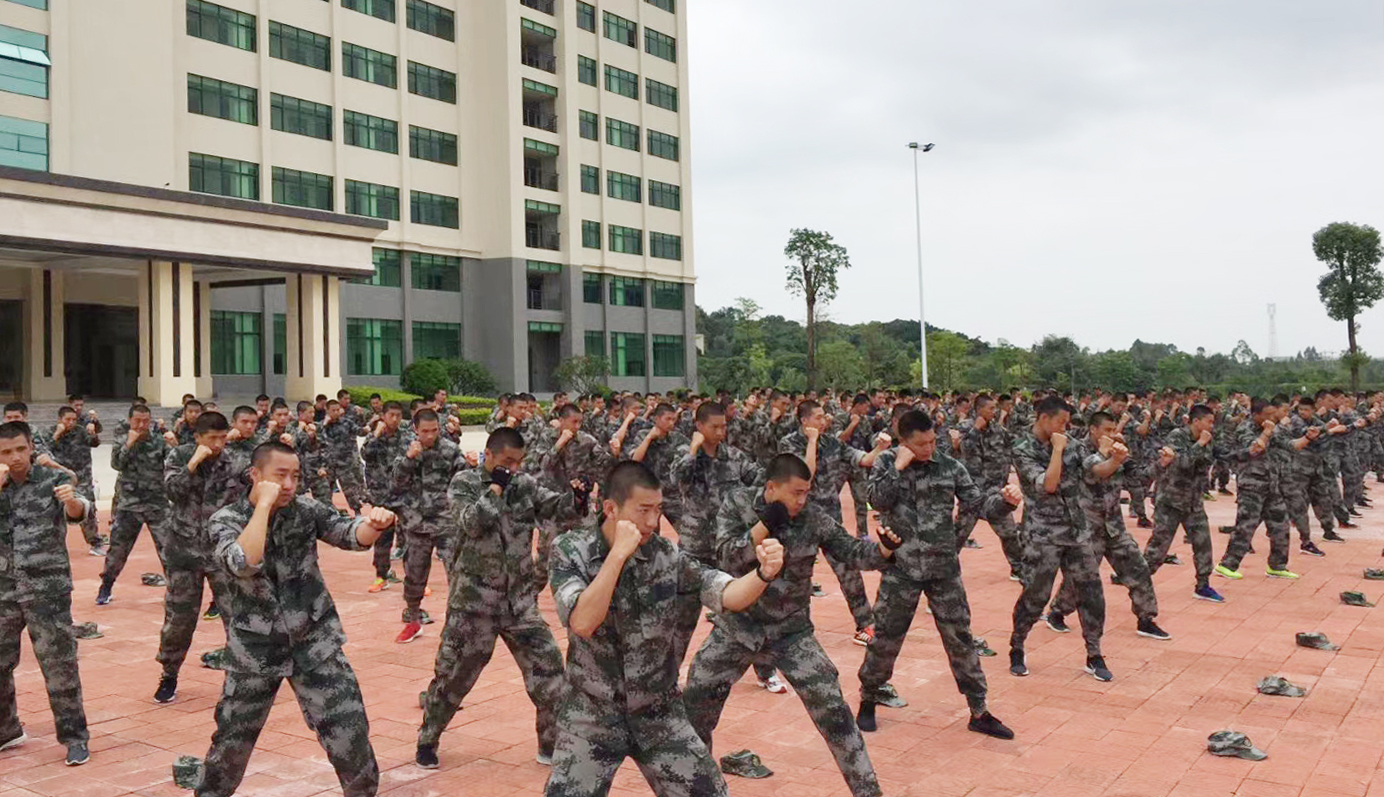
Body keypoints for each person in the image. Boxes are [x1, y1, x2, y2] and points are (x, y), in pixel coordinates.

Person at [544, 461, 784, 797]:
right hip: (591, 717)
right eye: (643, 510)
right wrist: (617, 556)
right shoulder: (571, 550)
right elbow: (583, 623)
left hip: (658, 712)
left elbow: (725, 592)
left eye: (658, 510)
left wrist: (763, 574)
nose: (653, 522)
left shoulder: (665, 554)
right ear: (611, 509)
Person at [681, 454, 893, 797]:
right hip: (737, 628)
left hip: (791, 632)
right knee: (694, 710)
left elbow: (851, 551)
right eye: (795, 493)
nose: (801, 500)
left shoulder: (812, 516)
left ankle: (869, 792)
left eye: (806, 493)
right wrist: (765, 524)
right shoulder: (737, 503)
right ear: (770, 487)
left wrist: (883, 549)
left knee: (835, 715)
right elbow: (726, 557)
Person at [196, 442, 396, 797]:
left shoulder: (306, 510)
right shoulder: (224, 520)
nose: (289, 484)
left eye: (296, 476)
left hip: (315, 643)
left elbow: (348, 535)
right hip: (255, 653)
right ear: (255, 476)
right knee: (230, 749)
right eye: (280, 476)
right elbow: (244, 562)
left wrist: (374, 525)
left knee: (351, 736)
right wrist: (264, 506)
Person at [416, 427, 588, 769]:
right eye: (507, 462)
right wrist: (495, 488)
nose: (513, 469)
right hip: (473, 605)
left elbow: (556, 510)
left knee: (552, 676)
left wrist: (577, 497)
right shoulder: (464, 483)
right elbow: (472, 523)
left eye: (518, 462)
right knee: (452, 679)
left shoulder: (524, 486)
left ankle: (550, 746)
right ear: (490, 455)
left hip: (520, 605)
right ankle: (428, 739)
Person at [857, 410, 1022, 738]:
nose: (929, 448)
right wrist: (899, 466)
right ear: (903, 441)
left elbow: (978, 505)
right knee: (887, 636)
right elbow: (876, 499)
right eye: (921, 444)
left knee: (960, 637)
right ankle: (868, 696)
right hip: (900, 567)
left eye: (932, 441)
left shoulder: (950, 467)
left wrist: (1005, 503)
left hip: (942, 567)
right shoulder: (886, 463)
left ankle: (979, 710)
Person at [0, 421, 92, 766]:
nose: (15, 457)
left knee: (59, 666)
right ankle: (7, 730)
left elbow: (82, 509)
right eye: (6, 452)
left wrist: (73, 505)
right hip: (4, 590)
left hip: (47, 590)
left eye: (21, 449)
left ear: (31, 448)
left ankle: (75, 738)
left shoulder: (52, 480)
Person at [1009, 396, 1111, 681]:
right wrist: (1057, 450)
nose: (1066, 428)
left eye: (1067, 423)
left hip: (1076, 532)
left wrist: (1112, 458)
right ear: (1043, 418)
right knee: (1036, 594)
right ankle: (1017, 646)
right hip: (1042, 534)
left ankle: (1094, 653)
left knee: (1091, 592)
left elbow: (1095, 470)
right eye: (1061, 422)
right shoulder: (1022, 449)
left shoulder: (1071, 444)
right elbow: (1048, 485)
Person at [1047, 412, 1171, 640]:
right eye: (1107, 430)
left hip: (1114, 527)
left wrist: (1161, 465)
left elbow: (1139, 478)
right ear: (1093, 429)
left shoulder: (1118, 449)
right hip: (1087, 528)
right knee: (1081, 578)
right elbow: (1094, 472)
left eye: (1114, 430)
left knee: (1138, 569)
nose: (1112, 435)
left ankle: (1146, 619)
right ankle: (1057, 612)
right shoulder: (1076, 449)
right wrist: (1109, 455)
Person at [779, 400, 888, 646]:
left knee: (848, 570)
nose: (824, 420)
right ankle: (784, 633)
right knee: (790, 578)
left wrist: (880, 448)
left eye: (824, 416)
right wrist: (811, 442)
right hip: (798, 522)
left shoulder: (833, 443)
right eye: (818, 417)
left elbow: (864, 459)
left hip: (829, 519)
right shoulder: (789, 444)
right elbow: (805, 475)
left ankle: (865, 625)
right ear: (804, 421)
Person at [156, 411, 245, 702]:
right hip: (184, 552)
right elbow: (172, 491)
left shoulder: (234, 461)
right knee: (179, 620)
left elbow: (252, 491)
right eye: (212, 438)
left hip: (221, 552)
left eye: (222, 437)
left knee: (236, 616)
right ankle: (169, 674)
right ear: (197, 437)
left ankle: (240, 675)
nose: (218, 444)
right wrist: (193, 463)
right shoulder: (179, 456)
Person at [392, 409, 469, 644]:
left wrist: (473, 465)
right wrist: (408, 459)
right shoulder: (406, 448)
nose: (430, 435)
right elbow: (395, 482)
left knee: (456, 573)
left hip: (446, 521)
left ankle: (457, 625)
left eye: (434, 430)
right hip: (416, 522)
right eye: (425, 431)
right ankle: (413, 619)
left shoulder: (449, 449)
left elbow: (464, 478)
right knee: (414, 574)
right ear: (416, 429)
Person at [1143, 404, 1224, 602]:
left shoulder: (1207, 440)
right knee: (1158, 547)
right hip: (1170, 500)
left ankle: (1203, 585)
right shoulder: (1176, 436)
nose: (1211, 426)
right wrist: (1200, 444)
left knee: (1203, 544)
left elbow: (1204, 464)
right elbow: (1180, 463)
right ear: (1196, 421)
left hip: (1193, 501)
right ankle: (1138, 578)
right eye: (1209, 421)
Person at [1215, 398, 1299, 581]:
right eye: (1267, 415)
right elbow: (1254, 449)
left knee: (1281, 525)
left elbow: (1289, 445)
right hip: (1251, 485)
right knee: (1245, 527)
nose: (1271, 418)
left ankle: (1277, 565)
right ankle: (1226, 565)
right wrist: (1268, 432)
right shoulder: (1245, 429)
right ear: (1255, 415)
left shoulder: (1272, 430)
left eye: (1272, 415)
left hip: (1271, 484)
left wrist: (1309, 437)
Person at [101, 404, 177, 604]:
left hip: (157, 503)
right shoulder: (123, 439)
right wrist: (129, 444)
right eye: (137, 421)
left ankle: (176, 590)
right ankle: (106, 585)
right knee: (118, 550)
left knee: (168, 549)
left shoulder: (159, 441)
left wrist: (175, 445)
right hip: (129, 504)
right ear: (130, 421)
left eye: (146, 421)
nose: (142, 425)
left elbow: (175, 463)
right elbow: (116, 464)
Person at [956, 393, 1025, 576]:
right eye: (991, 408)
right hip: (972, 493)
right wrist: (975, 431)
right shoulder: (965, 427)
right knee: (958, 536)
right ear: (979, 410)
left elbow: (1015, 446)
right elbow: (961, 449)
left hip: (995, 492)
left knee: (1009, 532)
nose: (995, 412)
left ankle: (1018, 568)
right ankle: (943, 571)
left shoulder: (998, 430)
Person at [37, 406, 105, 557]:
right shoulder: (49, 432)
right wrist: (57, 433)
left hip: (82, 477)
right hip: (59, 478)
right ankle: (51, 546)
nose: (71, 422)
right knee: (53, 512)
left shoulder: (80, 431)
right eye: (67, 419)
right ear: (60, 419)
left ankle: (95, 542)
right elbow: (43, 451)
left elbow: (94, 442)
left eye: (74, 419)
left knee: (89, 510)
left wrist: (93, 429)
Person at [360, 402, 412, 592]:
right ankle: (381, 576)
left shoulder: (406, 436)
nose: (395, 419)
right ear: (383, 416)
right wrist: (375, 435)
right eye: (391, 415)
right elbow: (365, 454)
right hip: (381, 493)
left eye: (398, 415)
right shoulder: (374, 436)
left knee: (409, 535)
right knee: (383, 535)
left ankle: (415, 579)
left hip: (403, 493)